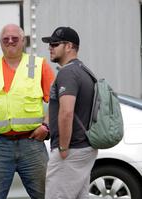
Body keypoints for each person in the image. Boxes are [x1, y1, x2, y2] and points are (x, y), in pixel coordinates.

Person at [0, 24, 55, 199]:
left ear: (23, 41)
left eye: (15, 38)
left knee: (48, 195)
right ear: (0, 43)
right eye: (5, 39)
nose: (10, 41)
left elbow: (57, 101)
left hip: (31, 143)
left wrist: (46, 126)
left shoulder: (39, 65)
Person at [41, 27, 98, 199]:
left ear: (69, 47)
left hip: (71, 150)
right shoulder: (84, 71)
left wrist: (63, 148)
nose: (50, 47)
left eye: (55, 44)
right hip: (83, 147)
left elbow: (66, 112)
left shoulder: (68, 73)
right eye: (50, 44)